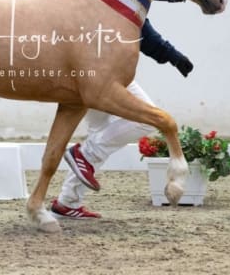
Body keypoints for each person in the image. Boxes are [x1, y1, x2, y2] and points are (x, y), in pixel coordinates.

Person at [51, 17, 194, 219]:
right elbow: (143, 28)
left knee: (98, 134)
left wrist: (172, 55)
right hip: (106, 72)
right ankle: (83, 155)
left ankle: (67, 202)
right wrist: (172, 54)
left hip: (86, 69)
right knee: (146, 119)